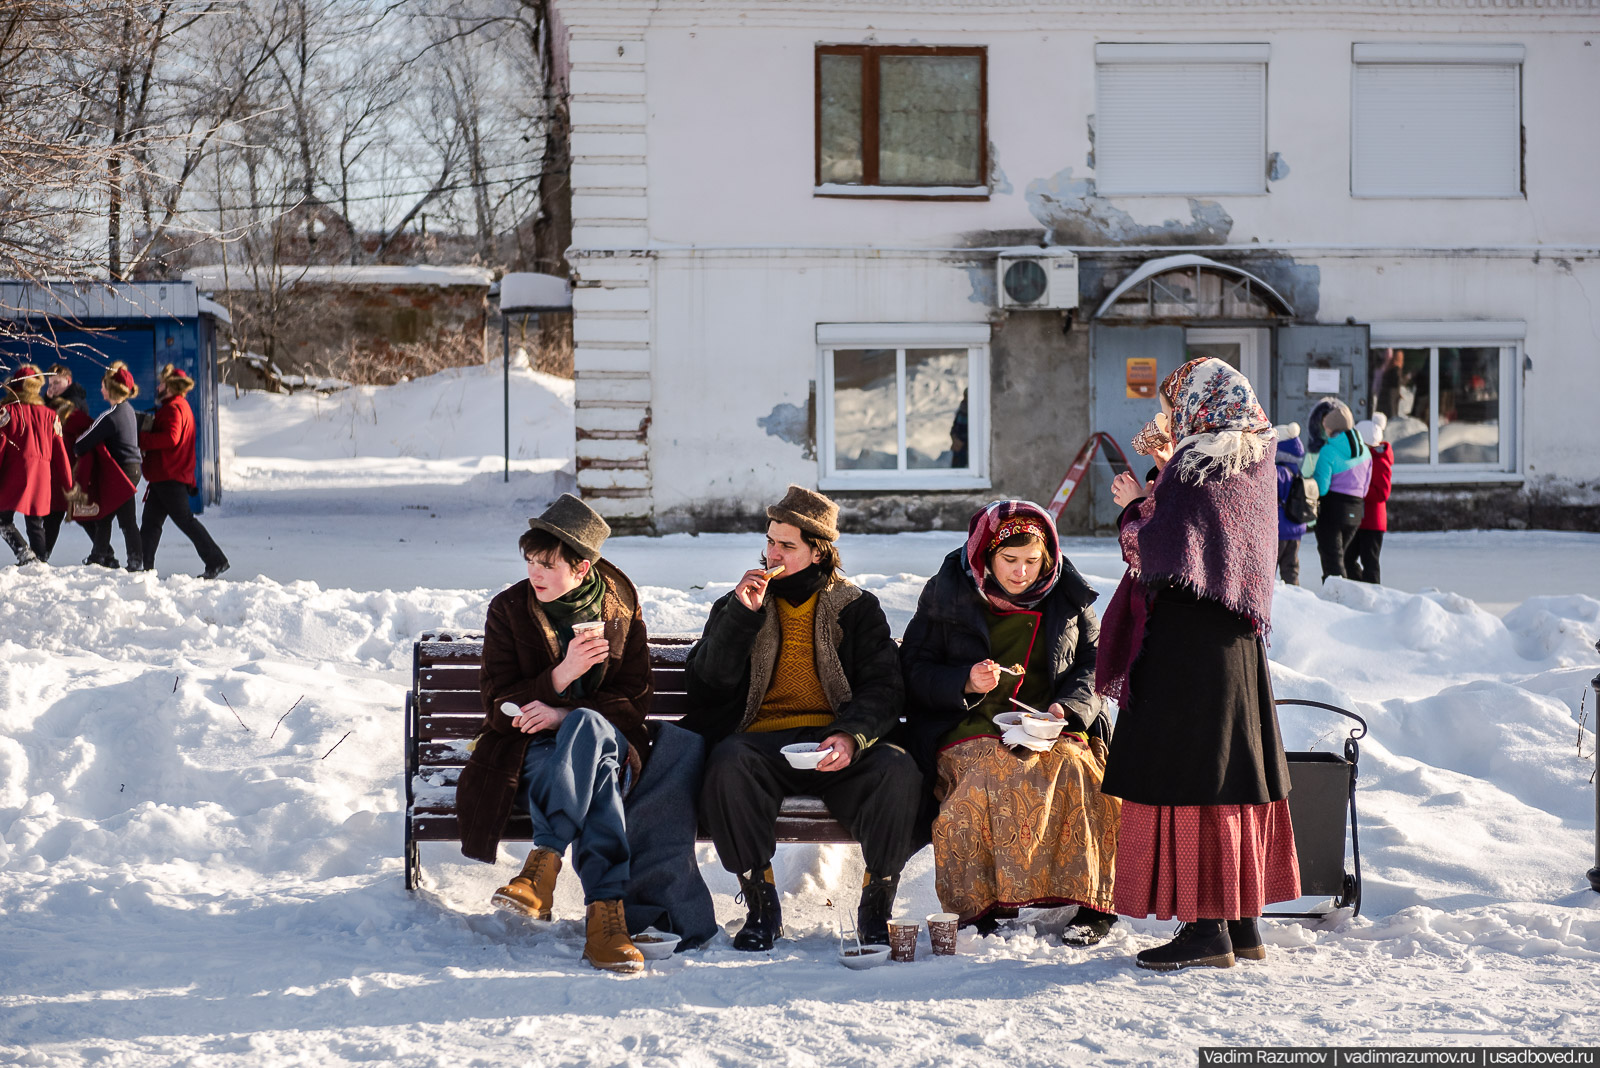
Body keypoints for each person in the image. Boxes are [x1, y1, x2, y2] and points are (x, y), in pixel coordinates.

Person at [1100, 357, 1300, 972]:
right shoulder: (1255, 456)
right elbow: (1210, 536)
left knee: (1190, 775)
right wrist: (1167, 472)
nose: (1173, 412)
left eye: (1178, 401)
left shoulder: (1196, 465)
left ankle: (1204, 928)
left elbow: (1157, 551)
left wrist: (1137, 502)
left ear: (1198, 405)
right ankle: (1241, 926)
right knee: (1230, 774)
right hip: (1235, 644)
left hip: (1185, 646)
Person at [683, 485, 922, 951]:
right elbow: (705, 685)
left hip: (834, 745)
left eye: (787, 546)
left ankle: (876, 909)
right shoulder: (740, 603)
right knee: (728, 761)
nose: (773, 553)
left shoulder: (856, 607)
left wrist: (850, 736)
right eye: (770, 541)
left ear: (818, 551)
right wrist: (739, 618)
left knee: (897, 770)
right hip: (763, 745)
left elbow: (884, 688)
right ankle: (761, 908)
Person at [899, 500, 1120, 944]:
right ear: (986, 555)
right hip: (968, 723)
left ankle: (1092, 904)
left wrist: (1067, 709)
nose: (1022, 572)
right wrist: (963, 680)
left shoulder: (1069, 596)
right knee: (988, 773)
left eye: (1033, 561)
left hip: (1051, 722)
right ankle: (977, 907)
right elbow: (913, 669)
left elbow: (1097, 664)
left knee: (1077, 771)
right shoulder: (947, 592)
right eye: (1010, 561)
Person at [454, 494, 653, 973]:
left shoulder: (620, 611)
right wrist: (559, 676)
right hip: (530, 753)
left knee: (586, 727)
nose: (534, 573)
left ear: (582, 568)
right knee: (598, 784)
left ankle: (543, 863)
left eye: (547, 563)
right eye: (529, 561)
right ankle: (607, 927)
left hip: (608, 742)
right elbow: (496, 703)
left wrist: (565, 714)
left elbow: (635, 702)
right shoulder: (508, 610)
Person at [138, 364, 229, 579]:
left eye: (161, 383)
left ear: (170, 386)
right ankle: (142, 567)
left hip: (169, 475)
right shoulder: (180, 406)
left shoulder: (172, 409)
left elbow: (171, 437)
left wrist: (142, 439)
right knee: (151, 524)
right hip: (165, 476)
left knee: (185, 521)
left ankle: (217, 560)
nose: (158, 386)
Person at [73, 362, 144, 570]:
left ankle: (118, 558)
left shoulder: (110, 415)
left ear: (111, 389)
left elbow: (81, 444)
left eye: (103, 385)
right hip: (133, 468)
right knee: (111, 515)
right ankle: (112, 557)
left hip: (119, 472)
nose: (100, 389)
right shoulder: (128, 410)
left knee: (115, 516)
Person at [1, 365, 73, 564]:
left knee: (2, 518)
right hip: (41, 475)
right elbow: (61, 453)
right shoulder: (51, 415)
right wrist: (68, 485)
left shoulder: (7, 412)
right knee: (35, 522)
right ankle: (40, 560)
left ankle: (25, 554)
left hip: (14, 472)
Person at [1304, 397, 1371, 582]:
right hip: (1356, 513)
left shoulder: (1328, 451)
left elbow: (1322, 489)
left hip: (1331, 513)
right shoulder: (1365, 451)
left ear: (1331, 428)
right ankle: (1355, 598)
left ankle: (1336, 604)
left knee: (1332, 565)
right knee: (1344, 559)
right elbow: (1365, 488)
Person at [42, 364, 91, 561]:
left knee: (57, 512)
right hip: (62, 464)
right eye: (50, 383)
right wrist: (47, 398)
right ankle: (104, 552)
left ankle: (41, 555)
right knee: (64, 512)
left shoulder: (72, 404)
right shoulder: (60, 402)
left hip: (68, 464)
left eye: (57, 383)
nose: (52, 387)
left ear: (68, 382)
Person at [1346, 415, 1392, 584]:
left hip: (1373, 522)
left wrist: (1359, 490)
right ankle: (1361, 590)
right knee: (1347, 559)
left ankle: (1373, 594)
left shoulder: (1380, 461)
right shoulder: (1362, 458)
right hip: (1360, 519)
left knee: (1370, 562)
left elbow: (1382, 493)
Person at [1273, 423, 1309, 585]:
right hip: (1295, 530)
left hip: (1279, 530)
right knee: (1291, 569)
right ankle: (1296, 599)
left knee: (1269, 569)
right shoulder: (1296, 470)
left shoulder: (1278, 472)